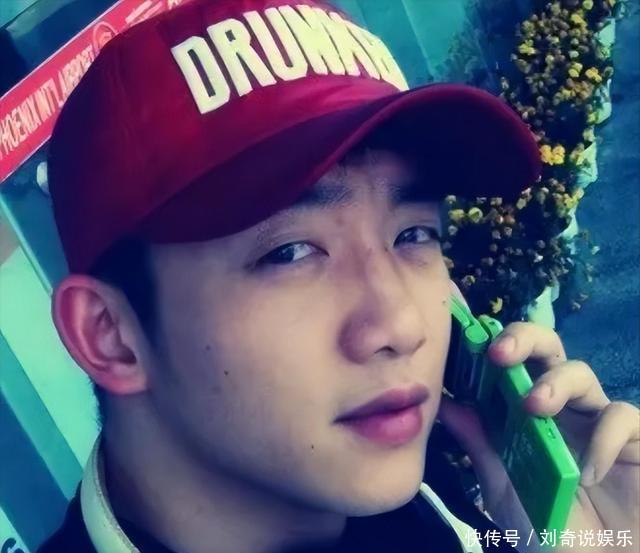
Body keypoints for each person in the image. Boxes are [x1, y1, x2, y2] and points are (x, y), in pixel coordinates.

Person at [38, 1, 639, 552]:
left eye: (413, 235)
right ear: (110, 334)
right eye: (291, 252)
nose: (402, 327)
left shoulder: (427, 489)